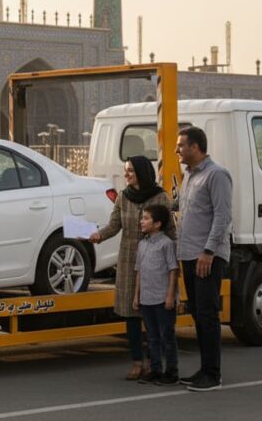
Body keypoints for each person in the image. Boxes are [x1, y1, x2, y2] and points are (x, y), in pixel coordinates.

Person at [88, 154, 175, 380]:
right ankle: (137, 361)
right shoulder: (123, 197)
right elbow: (114, 225)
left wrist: (174, 263)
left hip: (156, 263)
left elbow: (172, 232)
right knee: (131, 313)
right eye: (125, 170)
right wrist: (99, 235)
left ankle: (157, 363)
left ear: (143, 173)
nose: (126, 174)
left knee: (154, 315)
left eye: (130, 171)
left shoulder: (160, 197)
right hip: (129, 261)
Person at [174, 126, 233, 392]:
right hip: (188, 255)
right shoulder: (189, 176)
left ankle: (213, 374)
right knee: (198, 314)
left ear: (195, 147)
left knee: (208, 314)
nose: (177, 150)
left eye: (181, 145)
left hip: (206, 257)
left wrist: (208, 251)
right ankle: (204, 369)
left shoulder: (216, 175)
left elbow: (222, 216)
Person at [133, 204, 179, 385]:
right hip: (147, 299)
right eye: (141, 218)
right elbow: (139, 271)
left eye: (146, 218)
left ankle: (172, 371)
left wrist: (170, 296)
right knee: (151, 336)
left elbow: (173, 270)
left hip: (162, 298)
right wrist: (137, 296)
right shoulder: (142, 244)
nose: (141, 221)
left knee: (166, 335)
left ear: (158, 223)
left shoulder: (166, 244)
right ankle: (156, 369)